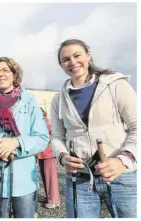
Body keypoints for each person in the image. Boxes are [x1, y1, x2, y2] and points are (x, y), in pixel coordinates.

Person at [50, 39, 137, 218]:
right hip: (80, 180)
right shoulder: (58, 100)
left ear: (88, 55)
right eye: (65, 59)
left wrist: (123, 160)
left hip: (120, 176)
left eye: (77, 55)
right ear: (61, 65)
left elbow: (137, 126)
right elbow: (57, 136)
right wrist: (62, 156)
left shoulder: (115, 85)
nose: (72, 62)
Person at [0, 57, 50, 218]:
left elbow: (42, 137)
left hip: (23, 181)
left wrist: (16, 142)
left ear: (14, 74)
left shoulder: (29, 102)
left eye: (5, 70)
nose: (0, 75)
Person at [37, 107, 60, 209]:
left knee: (51, 178)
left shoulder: (48, 124)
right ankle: (49, 197)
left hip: (49, 154)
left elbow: (54, 137)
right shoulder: (40, 124)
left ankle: (53, 201)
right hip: (42, 154)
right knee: (45, 177)